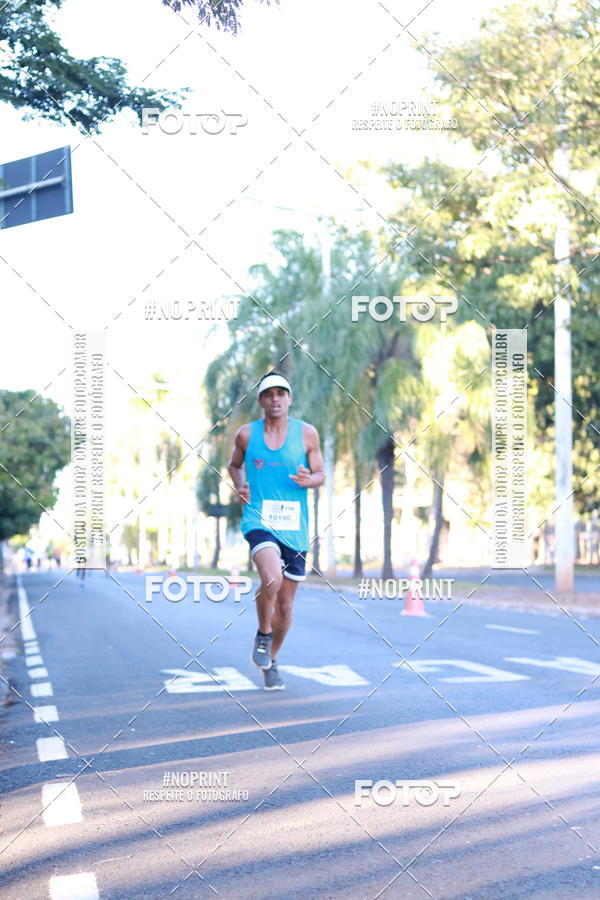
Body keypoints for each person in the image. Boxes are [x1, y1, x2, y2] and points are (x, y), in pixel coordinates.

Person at [227, 372, 325, 690]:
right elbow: (234, 465)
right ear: (261, 401)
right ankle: (263, 633)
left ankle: (271, 660)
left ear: (289, 399)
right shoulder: (246, 434)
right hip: (259, 520)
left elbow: (321, 473)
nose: (275, 399)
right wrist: (240, 485)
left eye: (281, 393)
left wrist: (309, 480)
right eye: (269, 394)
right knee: (271, 578)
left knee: (285, 606)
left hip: (295, 527)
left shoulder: (307, 433)